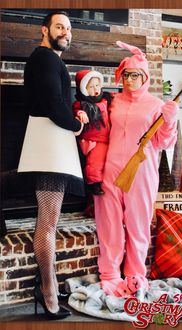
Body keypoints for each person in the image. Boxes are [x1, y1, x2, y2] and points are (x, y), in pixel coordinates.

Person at [94, 41, 179, 298]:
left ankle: (134, 275)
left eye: (135, 75)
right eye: (126, 74)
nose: (130, 80)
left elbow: (164, 142)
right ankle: (109, 275)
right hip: (110, 169)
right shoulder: (112, 102)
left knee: (138, 225)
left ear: (145, 77)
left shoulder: (156, 105)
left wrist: (170, 120)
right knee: (108, 224)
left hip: (141, 172)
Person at [18, 11, 84, 319]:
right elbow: (52, 103)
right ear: (45, 29)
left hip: (50, 143)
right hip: (49, 143)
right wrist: (76, 125)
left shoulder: (47, 59)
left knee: (48, 221)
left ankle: (47, 285)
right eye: (60, 26)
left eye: (69, 28)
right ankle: (47, 290)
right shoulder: (45, 58)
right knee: (48, 223)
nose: (65, 32)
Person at [73, 70, 112, 195]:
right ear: (84, 89)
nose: (95, 88)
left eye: (97, 85)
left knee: (106, 163)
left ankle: (101, 181)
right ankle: (93, 183)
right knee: (95, 162)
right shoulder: (82, 104)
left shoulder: (105, 100)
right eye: (90, 86)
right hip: (94, 140)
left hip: (107, 138)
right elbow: (76, 110)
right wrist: (81, 113)